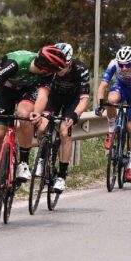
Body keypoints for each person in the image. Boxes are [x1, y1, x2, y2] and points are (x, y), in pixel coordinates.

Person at [0, 45, 67, 206]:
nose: (51, 74)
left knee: (24, 114)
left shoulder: (48, 73)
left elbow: (42, 94)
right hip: (6, 91)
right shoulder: (16, 63)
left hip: (28, 91)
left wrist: (37, 112)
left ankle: (23, 163)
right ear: (43, 66)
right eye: (50, 71)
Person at [37, 43, 90, 193]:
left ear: (70, 61)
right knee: (41, 126)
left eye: (63, 67)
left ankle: (61, 176)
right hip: (53, 98)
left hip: (71, 102)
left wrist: (75, 114)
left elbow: (84, 99)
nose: (59, 70)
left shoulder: (80, 69)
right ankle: (41, 158)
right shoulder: (49, 67)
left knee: (64, 131)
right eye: (56, 67)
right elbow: (42, 93)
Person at [95, 46, 131, 183]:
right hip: (121, 86)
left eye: (128, 65)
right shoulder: (113, 63)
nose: (124, 68)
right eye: (122, 65)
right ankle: (111, 130)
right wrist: (100, 104)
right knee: (111, 100)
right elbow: (103, 86)